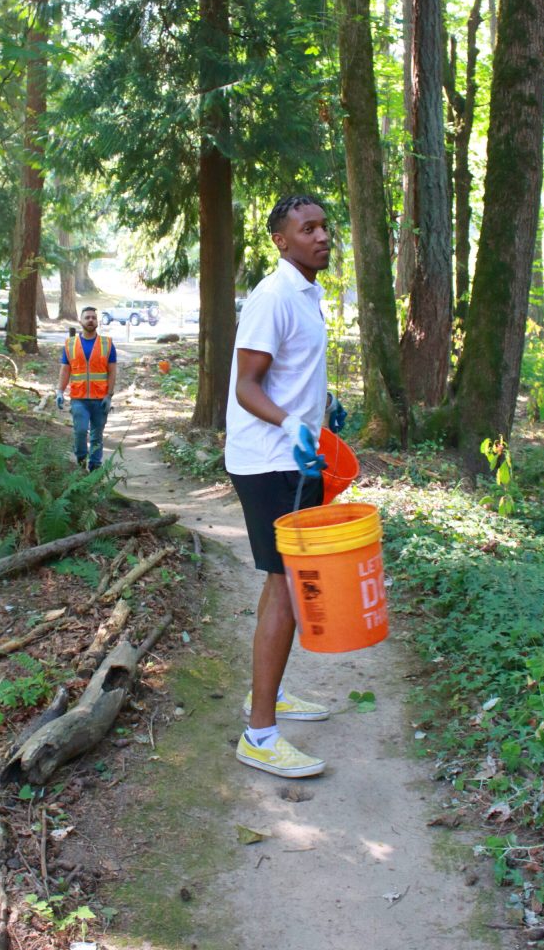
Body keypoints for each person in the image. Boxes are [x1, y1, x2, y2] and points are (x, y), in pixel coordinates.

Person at [225, 194, 344, 779]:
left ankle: (266, 696)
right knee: (287, 583)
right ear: (281, 239)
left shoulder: (306, 292)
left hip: (295, 458)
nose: (322, 236)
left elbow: (291, 373)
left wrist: (322, 410)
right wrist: (291, 423)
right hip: (269, 460)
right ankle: (260, 733)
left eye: (324, 226)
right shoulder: (274, 296)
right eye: (308, 228)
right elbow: (248, 385)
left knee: (286, 587)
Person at [56, 307, 117, 471]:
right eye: (87, 317)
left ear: (97, 322)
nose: (91, 320)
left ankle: (95, 467)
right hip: (79, 398)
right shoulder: (70, 344)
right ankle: (81, 460)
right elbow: (65, 370)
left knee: (97, 436)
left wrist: (109, 395)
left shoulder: (107, 344)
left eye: (93, 318)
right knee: (81, 431)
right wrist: (60, 391)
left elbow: (112, 372)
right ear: (80, 321)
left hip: (100, 399)